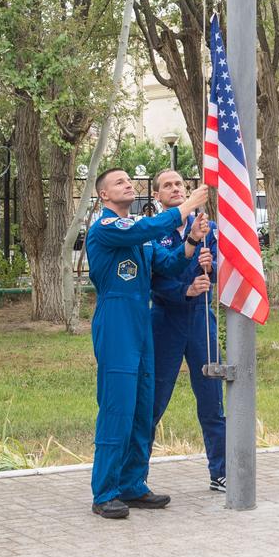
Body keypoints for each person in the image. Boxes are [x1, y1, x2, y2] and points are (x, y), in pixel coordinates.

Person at [87, 167, 211, 520]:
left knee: (143, 407)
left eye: (129, 180)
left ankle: (132, 484)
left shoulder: (139, 236)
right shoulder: (108, 227)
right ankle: (105, 492)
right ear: (104, 196)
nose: (128, 184)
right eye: (119, 182)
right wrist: (187, 206)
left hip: (141, 322)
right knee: (118, 407)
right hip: (116, 322)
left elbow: (168, 266)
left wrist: (189, 243)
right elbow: (147, 228)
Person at [147, 169, 227, 493]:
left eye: (179, 183)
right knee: (153, 400)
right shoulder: (154, 232)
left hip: (199, 319)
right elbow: (155, 277)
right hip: (166, 318)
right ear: (157, 196)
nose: (175, 188)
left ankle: (220, 472)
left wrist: (212, 267)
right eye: (167, 185)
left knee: (211, 398)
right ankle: (135, 477)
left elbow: (222, 273)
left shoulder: (209, 229)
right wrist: (184, 291)